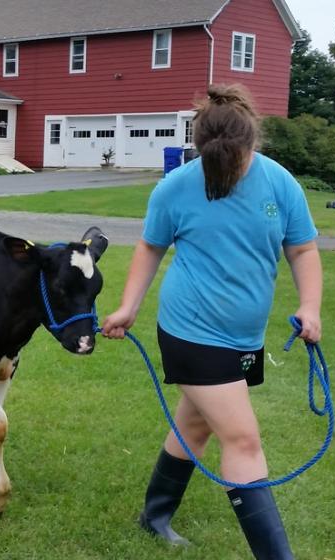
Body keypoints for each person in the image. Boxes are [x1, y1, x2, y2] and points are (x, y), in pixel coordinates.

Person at [101, 84, 322, 559]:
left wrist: (310, 306)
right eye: (213, 160)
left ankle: (154, 516)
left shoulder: (280, 183)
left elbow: (301, 248)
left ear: (252, 144)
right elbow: (150, 246)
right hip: (190, 330)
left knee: (196, 425)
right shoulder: (175, 187)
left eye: (235, 160)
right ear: (200, 150)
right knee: (242, 439)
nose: (225, 170)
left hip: (244, 335)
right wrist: (128, 307)